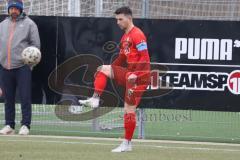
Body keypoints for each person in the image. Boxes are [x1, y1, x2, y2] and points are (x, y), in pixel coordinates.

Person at [79, 6, 150, 152]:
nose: (118, 22)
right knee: (102, 69)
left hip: (139, 77)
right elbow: (122, 58)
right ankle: (95, 98)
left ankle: (127, 144)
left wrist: (136, 74)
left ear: (129, 18)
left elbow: (145, 57)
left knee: (128, 109)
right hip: (130, 74)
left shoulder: (138, 34)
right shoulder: (125, 37)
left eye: (120, 19)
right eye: (116, 19)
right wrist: (109, 69)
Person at [0, 0, 40, 135]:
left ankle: (25, 125)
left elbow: (36, 47)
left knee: (25, 97)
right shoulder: (2, 25)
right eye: (11, 8)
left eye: (16, 9)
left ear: (21, 9)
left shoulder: (29, 24)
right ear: (8, 10)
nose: (14, 11)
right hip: (5, 67)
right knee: (8, 98)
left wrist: (30, 66)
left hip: (23, 67)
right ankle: (9, 125)